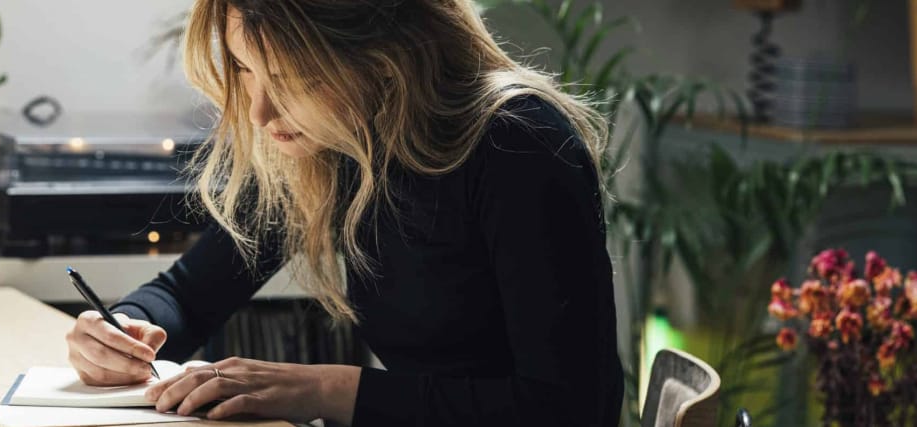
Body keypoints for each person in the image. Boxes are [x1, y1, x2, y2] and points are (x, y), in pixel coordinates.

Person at [64, 0, 622, 425]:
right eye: (246, 70)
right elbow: (189, 294)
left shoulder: (517, 143)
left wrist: (328, 389)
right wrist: (124, 330)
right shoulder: (335, 143)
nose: (258, 111)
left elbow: (571, 408)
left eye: (290, 78)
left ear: (385, 58)